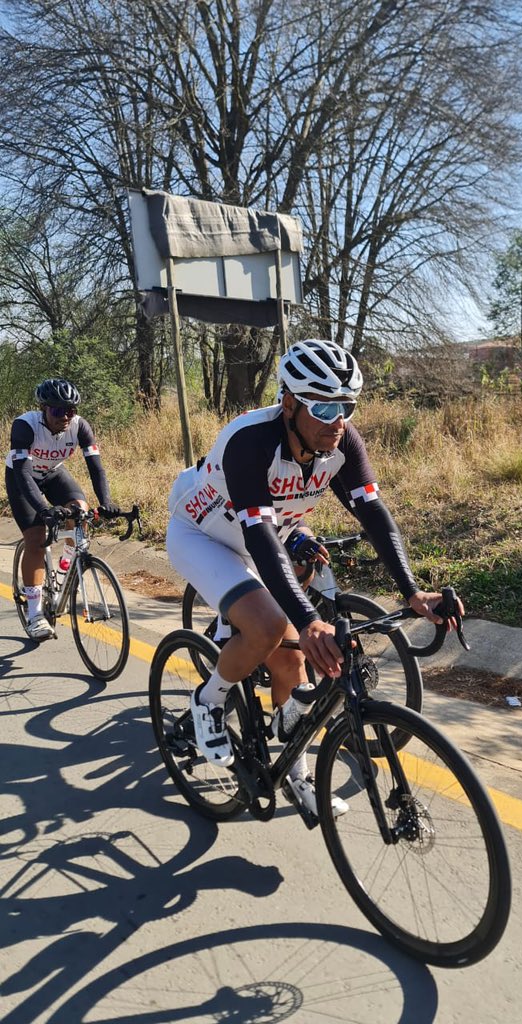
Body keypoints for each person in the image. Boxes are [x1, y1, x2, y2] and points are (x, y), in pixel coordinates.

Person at [166, 338, 463, 818]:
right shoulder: (250, 441)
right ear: (288, 403)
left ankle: (296, 772)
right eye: (323, 406)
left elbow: (374, 516)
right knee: (267, 626)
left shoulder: (342, 443)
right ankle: (209, 697)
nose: (337, 419)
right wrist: (307, 620)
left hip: (261, 533)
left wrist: (412, 591)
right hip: (203, 535)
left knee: (291, 664)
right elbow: (260, 539)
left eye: (346, 405)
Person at [5, 378, 119, 641]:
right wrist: (44, 510)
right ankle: (35, 614)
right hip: (23, 478)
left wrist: (107, 502)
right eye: (58, 410)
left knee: (80, 511)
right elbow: (23, 473)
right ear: (44, 408)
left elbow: (96, 467)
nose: (65, 416)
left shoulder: (80, 427)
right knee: (36, 537)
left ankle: (66, 564)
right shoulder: (25, 426)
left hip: (54, 474)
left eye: (71, 410)